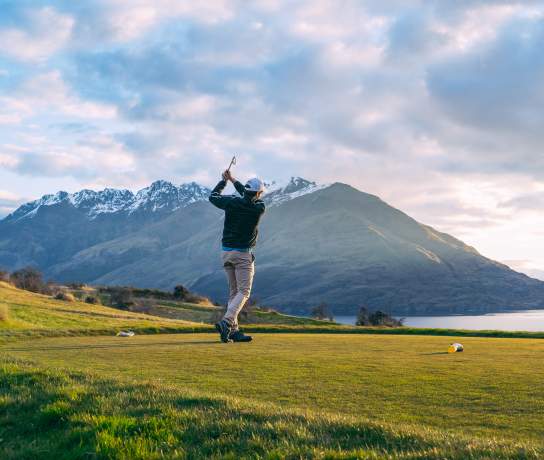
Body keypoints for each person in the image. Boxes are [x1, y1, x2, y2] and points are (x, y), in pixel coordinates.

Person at [209, 170, 266, 343]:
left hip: (226, 254)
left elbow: (213, 196)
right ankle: (227, 322)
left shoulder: (231, 202)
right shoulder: (259, 207)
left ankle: (233, 331)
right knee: (244, 292)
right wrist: (233, 181)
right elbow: (247, 195)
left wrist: (224, 181)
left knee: (234, 293)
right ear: (258, 193)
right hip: (242, 255)